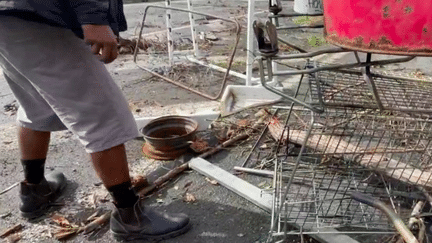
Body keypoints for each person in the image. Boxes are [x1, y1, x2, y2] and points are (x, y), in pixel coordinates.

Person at [0, 0, 191, 241]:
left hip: (9, 15)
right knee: (103, 114)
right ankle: (129, 217)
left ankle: (35, 190)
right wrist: (93, 17)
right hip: (41, 15)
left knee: (35, 104)